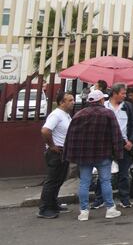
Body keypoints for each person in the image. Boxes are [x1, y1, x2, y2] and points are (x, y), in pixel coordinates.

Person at [64, 90, 124, 221]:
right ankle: (110, 208)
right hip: (103, 154)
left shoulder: (79, 115)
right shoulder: (108, 114)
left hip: (84, 155)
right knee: (105, 181)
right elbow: (116, 135)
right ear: (101, 100)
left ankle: (84, 211)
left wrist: (70, 155)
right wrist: (118, 154)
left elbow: (71, 136)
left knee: (84, 183)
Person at [90, 83, 133, 209]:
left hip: (125, 145)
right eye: (123, 93)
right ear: (115, 93)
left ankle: (124, 198)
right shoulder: (104, 106)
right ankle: (99, 198)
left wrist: (131, 141)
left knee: (124, 174)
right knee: (103, 174)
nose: (125, 95)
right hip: (106, 146)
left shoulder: (127, 107)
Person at [37, 91, 75, 219]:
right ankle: (44, 208)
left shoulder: (66, 115)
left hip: (64, 152)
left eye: (73, 100)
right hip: (56, 153)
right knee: (52, 180)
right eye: (69, 100)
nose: (73, 102)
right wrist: (52, 146)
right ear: (61, 102)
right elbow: (45, 131)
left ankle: (53, 204)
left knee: (59, 179)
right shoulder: (56, 115)